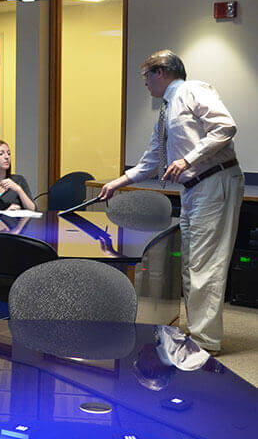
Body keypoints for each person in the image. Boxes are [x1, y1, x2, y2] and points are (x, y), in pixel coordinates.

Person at [99, 50, 243, 355]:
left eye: (146, 76)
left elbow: (226, 127)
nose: (145, 84)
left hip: (214, 181)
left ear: (161, 72)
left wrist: (187, 159)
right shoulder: (166, 110)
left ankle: (205, 342)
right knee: (192, 263)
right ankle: (199, 332)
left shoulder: (192, 90)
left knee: (206, 264)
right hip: (193, 188)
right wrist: (118, 183)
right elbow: (151, 160)